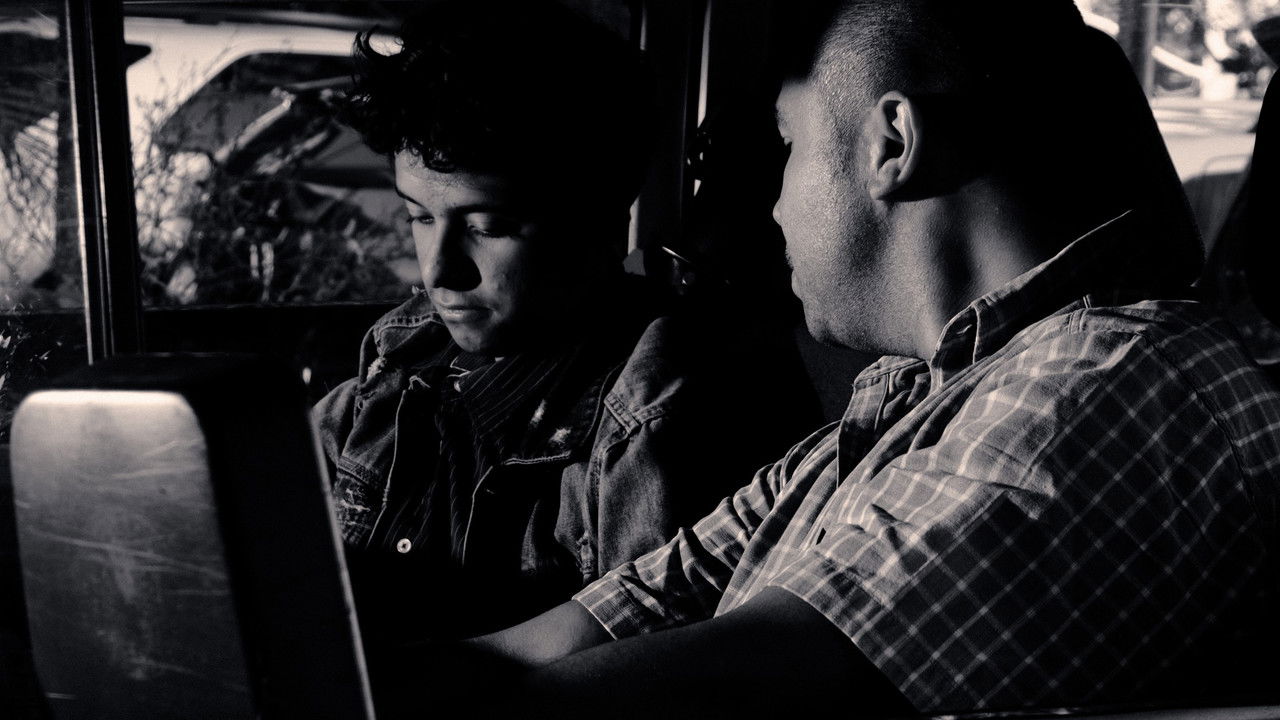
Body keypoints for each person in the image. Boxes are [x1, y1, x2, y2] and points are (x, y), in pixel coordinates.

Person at [422, 1, 1280, 717]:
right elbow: (626, 610)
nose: (772, 206)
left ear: (891, 142)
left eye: (789, 145)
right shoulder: (904, 394)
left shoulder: (1111, 382)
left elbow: (751, 682)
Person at [311, 0, 819, 704]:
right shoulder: (388, 379)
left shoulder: (662, 425)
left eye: (488, 226)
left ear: (600, 225)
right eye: (418, 217)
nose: (439, 271)